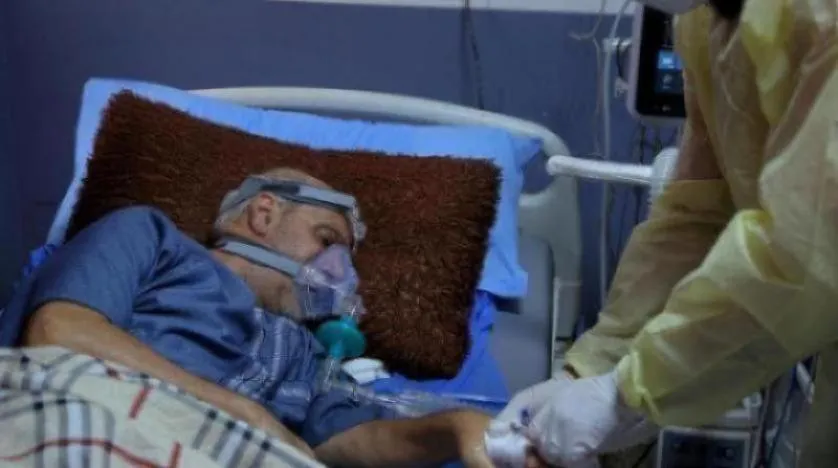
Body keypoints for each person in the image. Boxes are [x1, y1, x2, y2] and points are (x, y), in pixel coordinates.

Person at [489, 0, 838, 466]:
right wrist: (590, 368)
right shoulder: (702, 22)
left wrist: (627, 391)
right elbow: (695, 216)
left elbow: (807, 255)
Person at [1, 167, 499, 467]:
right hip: (90, 419)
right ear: (263, 213)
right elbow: (59, 332)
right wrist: (244, 413)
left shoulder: (308, 352)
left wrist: (455, 429)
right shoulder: (149, 237)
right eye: (327, 240)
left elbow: (347, 444)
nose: (340, 271)